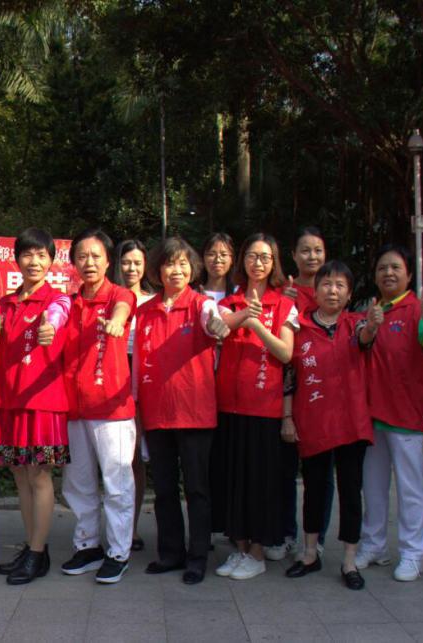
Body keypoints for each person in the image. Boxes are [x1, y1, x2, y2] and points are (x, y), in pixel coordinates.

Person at [134, 236, 230, 585]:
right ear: (158, 270)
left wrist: (218, 325)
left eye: (183, 263)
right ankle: (170, 552)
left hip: (195, 413)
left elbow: (214, 320)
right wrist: (136, 408)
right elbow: (137, 365)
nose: (177, 270)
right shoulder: (144, 312)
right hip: (156, 412)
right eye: (169, 263)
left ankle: (197, 556)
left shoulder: (201, 305)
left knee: (196, 488)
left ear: (192, 268)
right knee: (163, 489)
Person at [283, 260, 378, 590]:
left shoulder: (356, 324)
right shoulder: (300, 327)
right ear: (315, 290)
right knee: (313, 490)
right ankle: (310, 554)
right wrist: (287, 417)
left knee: (351, 490)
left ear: (349, 294)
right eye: (326, 284)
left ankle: (349, 561)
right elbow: (289, 376)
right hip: (314, 422)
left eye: (340, 286)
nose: (332, 291)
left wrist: (372, 327)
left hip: (351, 423)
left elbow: (366, 339)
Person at [355, 245, 423, 582]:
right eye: (382, 268)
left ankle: (412, 552)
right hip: (372, 415)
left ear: (408, 274)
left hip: (405, 413)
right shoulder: (373, 311)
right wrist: (370, 325)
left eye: (395, 267)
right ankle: (374, 544)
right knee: (373, 486)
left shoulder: (418, 310)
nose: (388, 273)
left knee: (410, 489)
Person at [212, 233, 297, 581]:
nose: (257, 263)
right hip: (228, 406)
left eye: (265, 257)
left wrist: (256, 324)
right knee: (234, 480)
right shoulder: (229, 302)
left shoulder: (284, 304)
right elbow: (218, 329)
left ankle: (258, 553)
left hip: (264, 408)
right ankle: (241, 547)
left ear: (274, 262)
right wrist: (244, 313)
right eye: (251, 255)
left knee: (259, 482)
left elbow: (286, 353)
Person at [0, 228, 71, 585]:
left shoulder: (58, 299)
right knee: (19, 474)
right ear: (17, 259)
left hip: (43, 402)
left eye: (41, 255)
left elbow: (57, 317)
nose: (34, 261)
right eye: (28, 254)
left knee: (39, 474)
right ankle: (31, 547)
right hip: (10, 400)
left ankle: (38, 553)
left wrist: (49, 328)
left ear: (51, 260)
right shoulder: (4, 303)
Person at [60, 229, 137, 584]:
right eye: (82, 256)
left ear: (108, 261)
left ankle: (118, 552)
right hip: (74, 408)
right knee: (78, 484)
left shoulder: (119, 295)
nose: (88, 262)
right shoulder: (69, 303)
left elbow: (123, 310)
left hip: (110, 410)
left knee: (117, 483)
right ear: (73, 263)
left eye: (95, 256)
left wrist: (117, 323)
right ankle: (88, 546)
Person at [270, 226, 333, 562]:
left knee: (320, 473)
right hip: (288, 389)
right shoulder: (283, 293)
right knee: (284, 470)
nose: (312, 256)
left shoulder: (332, 291)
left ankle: (316, 537)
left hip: (321, 393)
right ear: (293, 255)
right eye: (305, 250)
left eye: (318, 250)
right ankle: (285, 533)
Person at [114, 240, 154, 552]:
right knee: (117, 460)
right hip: (114, 378)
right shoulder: (110, 297)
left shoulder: (153, 301)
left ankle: (133, 527)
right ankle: (116, 526)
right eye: (126, 262)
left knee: (135, 459)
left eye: (137, 262)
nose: (132, 268)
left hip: (145, 379)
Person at [200, 233, 236, 303]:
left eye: (223, 254)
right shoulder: (193, 294)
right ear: (203, 258)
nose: (218, 260)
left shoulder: (239, 293)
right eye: (211, 254)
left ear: (232, 259)